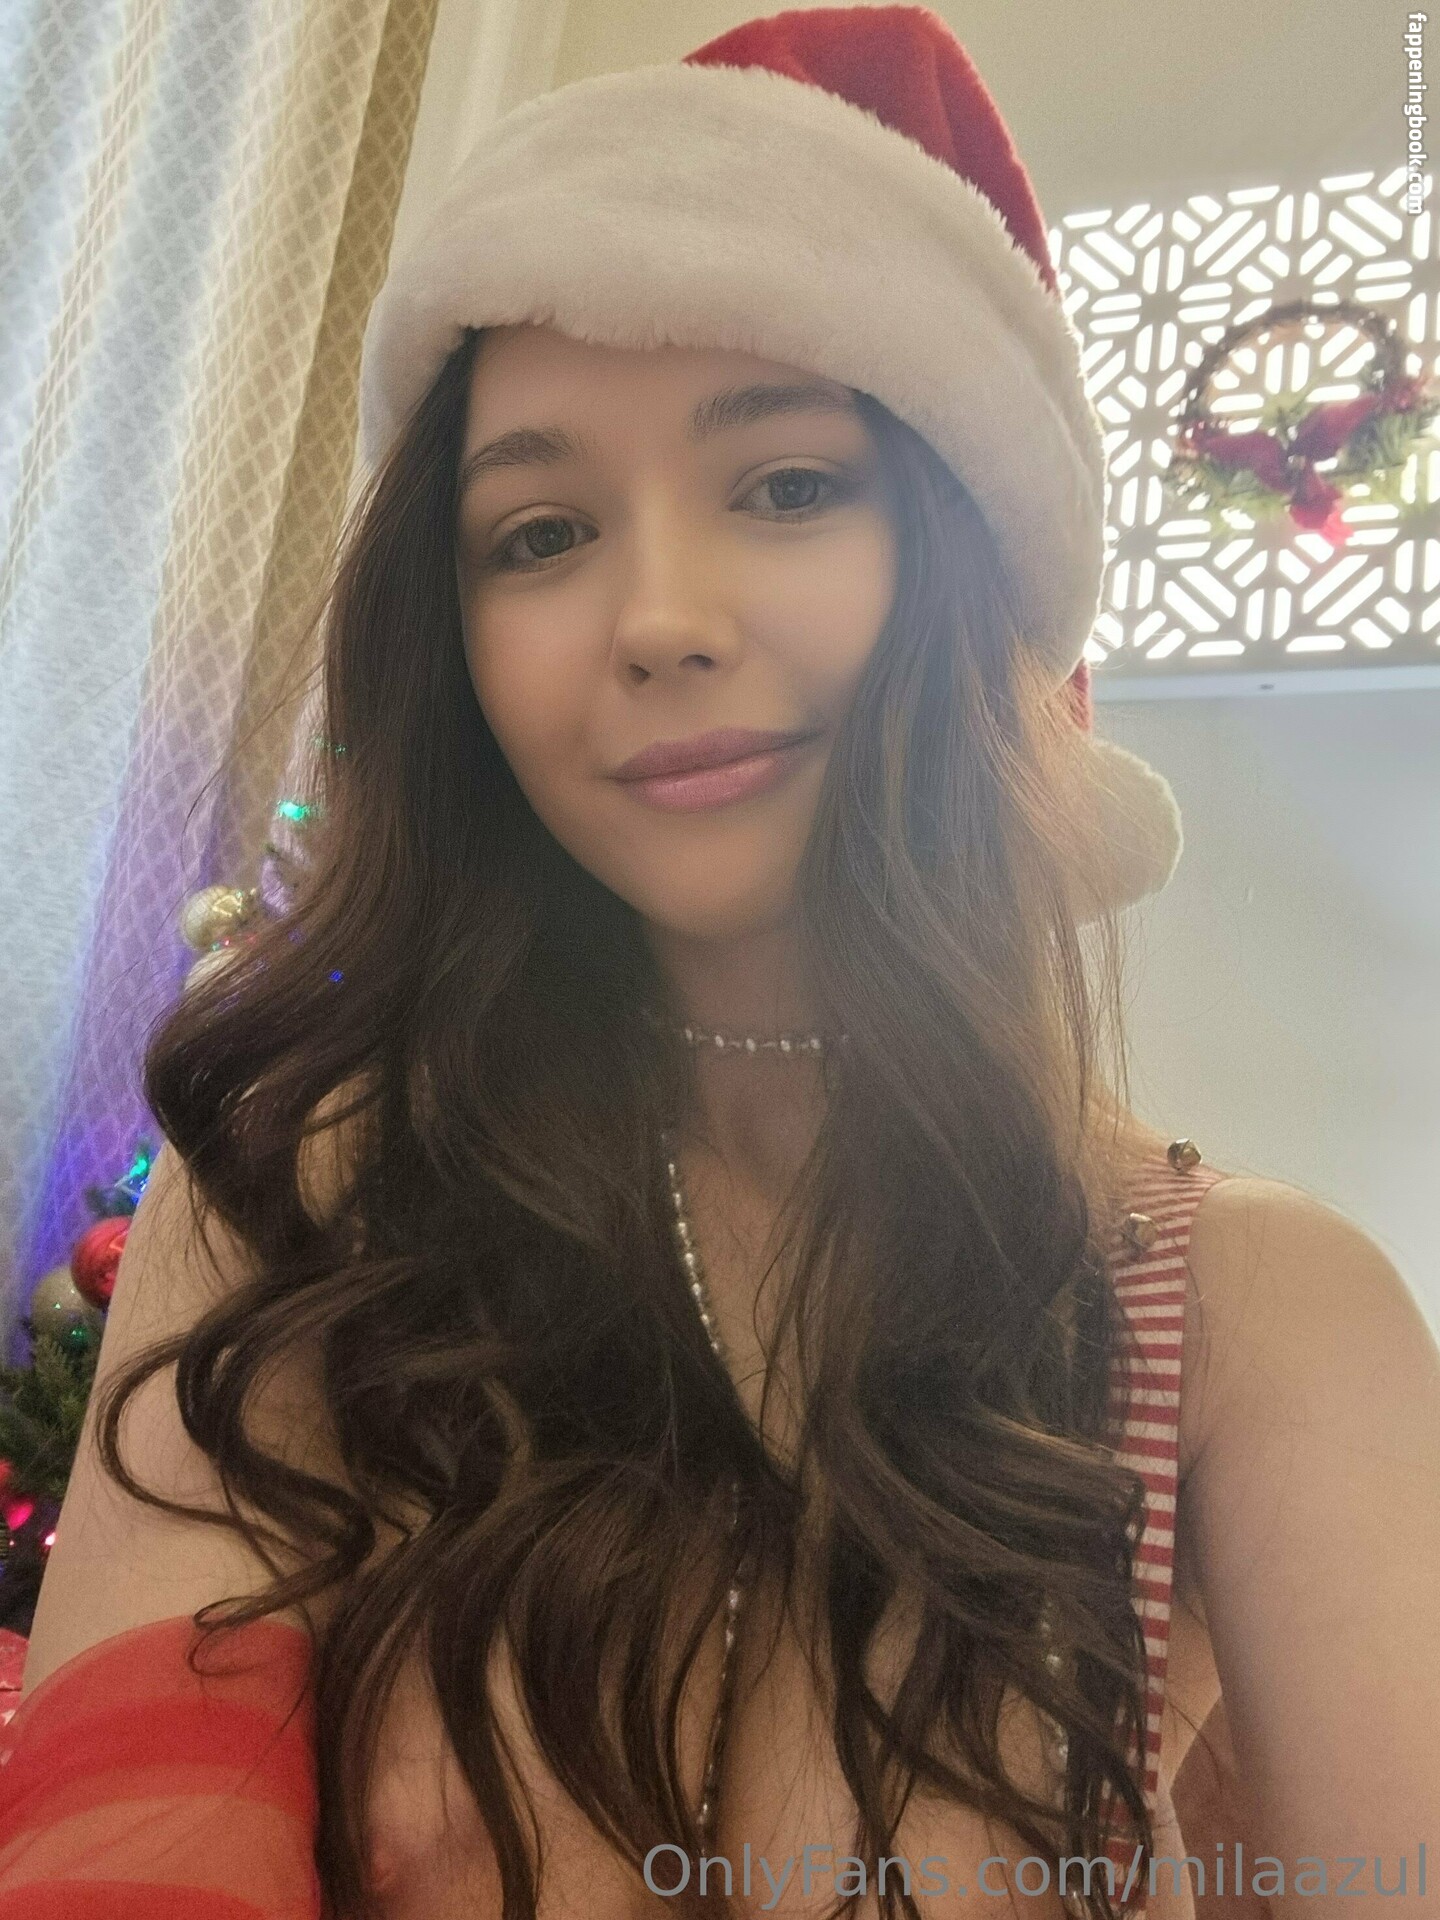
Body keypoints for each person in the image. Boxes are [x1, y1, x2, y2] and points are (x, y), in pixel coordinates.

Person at [2, 8, 1437, 1919]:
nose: (660, 618)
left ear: (966, 562)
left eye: (786, 488)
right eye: (541, 531)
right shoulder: (292, 1192)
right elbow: (125, 1850)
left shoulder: (1249, 1312)